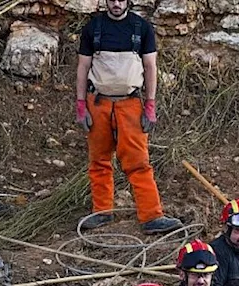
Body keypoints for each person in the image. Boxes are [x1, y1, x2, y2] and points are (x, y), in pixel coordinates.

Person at [75, 0, 182, 234]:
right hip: (99, 103)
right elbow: (83, 67)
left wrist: (150, 105)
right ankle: (101, 212)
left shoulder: (141, 27)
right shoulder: (93, 28)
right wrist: (81, 105)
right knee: (99, 160)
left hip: (131, 103)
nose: (116, 3)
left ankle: (151, 216)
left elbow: (150, 66)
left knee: (138, 162)